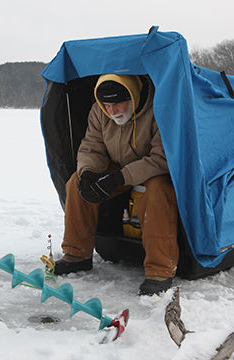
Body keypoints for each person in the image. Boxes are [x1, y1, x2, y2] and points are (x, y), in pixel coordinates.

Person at [54, 74, 179, 296]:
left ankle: (160, 270)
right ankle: (76, 254)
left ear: (133, 96)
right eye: (107, 105)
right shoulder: (99, 111)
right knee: (76, 182)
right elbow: (91, 147)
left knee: (159, 190)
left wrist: (120, 178)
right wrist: (88, 173)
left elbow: (162, 159)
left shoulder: (158, 109)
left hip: (154, 171)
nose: (112, 111)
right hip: (119, 168)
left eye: (118, 103)